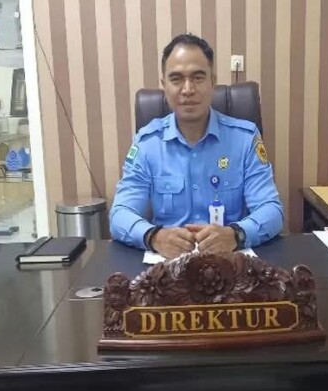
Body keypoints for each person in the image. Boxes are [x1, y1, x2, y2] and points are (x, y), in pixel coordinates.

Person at [110, 34, 283, 259]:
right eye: (176, 79)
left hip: (229, 266)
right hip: (168, 268)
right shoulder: (147, 144)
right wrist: (154, 237)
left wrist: (236, 234)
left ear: (213, 82)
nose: (188, 89)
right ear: (164, 85)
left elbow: (271, 210)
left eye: (198, 77)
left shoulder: (245, 139)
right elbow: (120, 214)